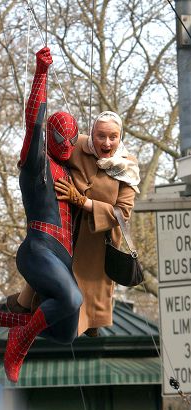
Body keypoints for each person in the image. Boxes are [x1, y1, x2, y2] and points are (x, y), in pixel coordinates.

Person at [0, 47, 83, 383]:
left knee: (67, 331)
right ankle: (19, 339)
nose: (66, 142)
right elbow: (35, 121)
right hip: (38, 248)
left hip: (63, 258)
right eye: (60, 137)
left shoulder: (72, 172)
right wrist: (42, 72)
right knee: (70, 297)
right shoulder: (37, 164)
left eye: (71, 138)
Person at [8, 110, 140, 337]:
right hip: (67, 228)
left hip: (97, 240)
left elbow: (122, 212)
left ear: (120, 137)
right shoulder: (77, 145)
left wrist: (83, 201)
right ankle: (29, 315)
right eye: (100, 135)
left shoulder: (128, 166)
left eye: (113, 136)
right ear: (91, 134)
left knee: (89, 292)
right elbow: (47, 150)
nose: (106, 142)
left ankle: (90, 322)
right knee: (54, 275)